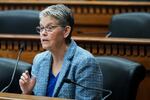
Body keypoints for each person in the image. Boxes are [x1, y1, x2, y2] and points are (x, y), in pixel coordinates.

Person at [19, 4, 103, 100]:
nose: (43, 33)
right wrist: (27, 92)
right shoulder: (39, 60)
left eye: (50, 28)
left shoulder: (85, 62)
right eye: (41, 28)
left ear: (66, 31)